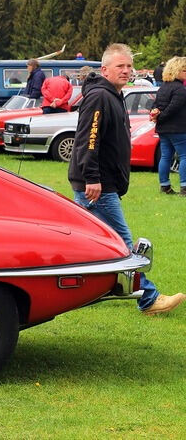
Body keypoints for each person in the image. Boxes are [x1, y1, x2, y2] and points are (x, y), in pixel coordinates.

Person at [68, 43, 183, 316]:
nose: (127, 70)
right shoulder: (99, 97)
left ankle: (76, 289)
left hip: (103, 183)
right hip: (98, 186)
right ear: (105, 69)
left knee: (92, 244)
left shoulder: (113, 94)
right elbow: (88, 140)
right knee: (122, 243)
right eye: (120, 66)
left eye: (129, 66)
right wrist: (92, 179)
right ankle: (149, 299)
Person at [151, 56, 186, 195]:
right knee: (184, 156)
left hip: (163, 129)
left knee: (166, 156)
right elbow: (173, 109)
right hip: (178, 128)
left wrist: (156, 115)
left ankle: (164, 185)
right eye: (184, 70)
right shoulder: (180, 90)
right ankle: (184, 187)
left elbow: (156, 105)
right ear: (177, 71)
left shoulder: (163, 87)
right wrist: (160, 117)